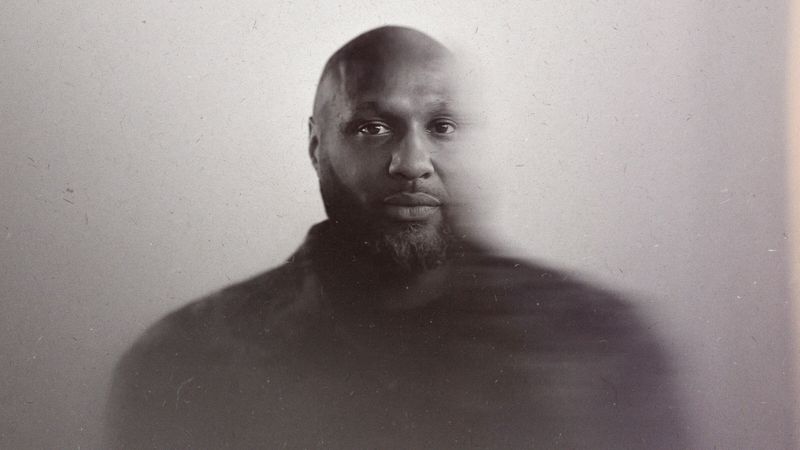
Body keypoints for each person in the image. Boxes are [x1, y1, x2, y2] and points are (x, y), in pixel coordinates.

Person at [105, 26, 685, 448]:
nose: (412, 163)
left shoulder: (605, 350)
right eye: (372, 127)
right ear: (316, 146)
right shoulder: (185, 363)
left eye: (442, 126)